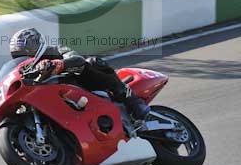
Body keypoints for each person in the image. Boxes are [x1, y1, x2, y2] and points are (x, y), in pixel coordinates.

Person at [9, 28, 150, 126]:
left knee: (93, 62)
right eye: (20, 55)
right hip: (58, 102)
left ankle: (132, 101)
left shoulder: (55, 50)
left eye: (27, 51)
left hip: (82, 85)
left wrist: (59, 64)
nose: (26, 56)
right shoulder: (26, 72)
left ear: (36, 43)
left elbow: (76, 59)